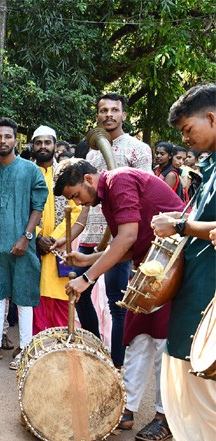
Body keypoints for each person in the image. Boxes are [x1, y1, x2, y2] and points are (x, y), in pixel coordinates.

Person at [57, 159, 184, 441]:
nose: (78, 203)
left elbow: (127, 238)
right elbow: (128, 246)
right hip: (151, 267)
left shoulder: (119, 180)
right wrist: (88, 259)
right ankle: (126, 409)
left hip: (173, 265)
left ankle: (165, 417)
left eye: (76, 195)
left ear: (89, 179)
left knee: (164, 343)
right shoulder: (108, 193)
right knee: (138, 338)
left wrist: (86, 278)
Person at [151, 83, 216, 441]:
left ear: (211, 117)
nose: (185, 139)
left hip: (210, 300)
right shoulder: (208, 165)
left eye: (188, 130)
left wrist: (178, 226)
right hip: (195, 291)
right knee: (187, 377)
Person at [72, 93, 152, 366]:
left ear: (124, 115)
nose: (108, 115)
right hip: (92, 236)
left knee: (116, 304)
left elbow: (142, 196)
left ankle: (116, 365)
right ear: (97, 115)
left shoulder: (139, 149)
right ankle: (96, 352)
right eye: (103, 110)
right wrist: (70, 236)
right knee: (80, 294)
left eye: (114, 110)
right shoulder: (92, 152)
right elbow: (84, 203)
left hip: (120, 238)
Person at [0, 118, 47, 367]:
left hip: (23, 244)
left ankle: (25, 349)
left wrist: (26, 237)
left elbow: (38, 206)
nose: (2, 141)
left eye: (7, 136)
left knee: (24, 296)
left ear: (16, 140)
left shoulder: (30, 170)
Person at [30, 125, 81, 334]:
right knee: (35, 299)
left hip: (58, 247)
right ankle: (37, 347)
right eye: (39, 142)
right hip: (32, 246)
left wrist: (54, 238)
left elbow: (76, 209)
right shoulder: (26, 172)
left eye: (47, 142)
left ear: (55, 146)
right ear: (32, 146)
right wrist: (36, 237)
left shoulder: (65, 174)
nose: (43, 146)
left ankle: (60, 347)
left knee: (60, 298)